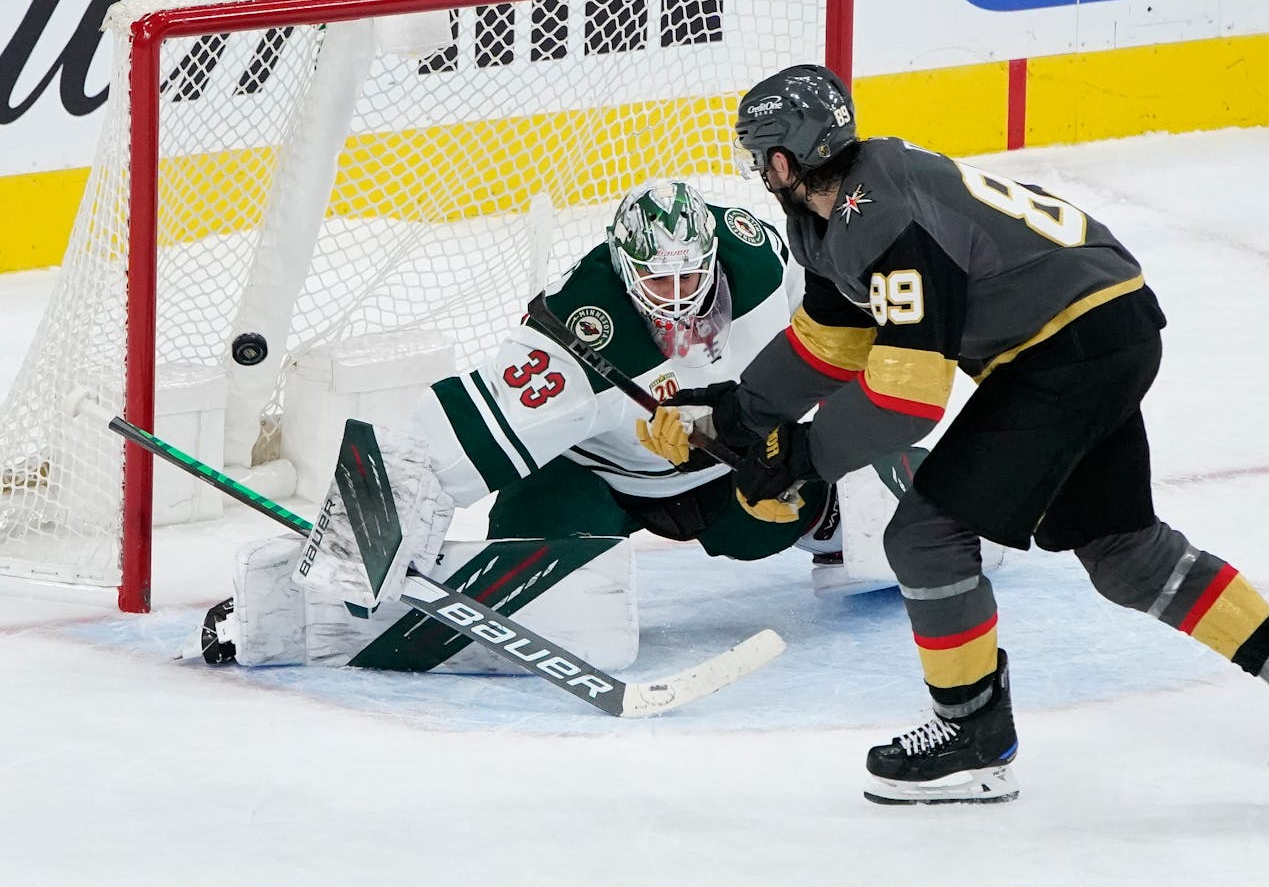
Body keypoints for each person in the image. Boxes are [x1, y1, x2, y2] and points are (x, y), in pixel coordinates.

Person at [637, 65, 1269, 803]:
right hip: (1101, 324)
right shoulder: (838, 212)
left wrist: (805, 458)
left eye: (756, 156)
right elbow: (829, 342)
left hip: (1068, 349)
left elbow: (909, 398)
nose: (755, 171)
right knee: (1123, 552)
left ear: (781, 157)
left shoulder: (881, 218)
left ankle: (972, 737)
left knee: (926, 535)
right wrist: (738, 413)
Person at [188, 179, 940, 670]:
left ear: (715, 254)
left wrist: (820, 438)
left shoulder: (759, 261)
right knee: (528, 540)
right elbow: (446, 443)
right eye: (656, 282)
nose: (678, 299)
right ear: (621, 270)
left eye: (690, 277)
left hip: (724, 462)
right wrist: (353, 556)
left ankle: (847, 511)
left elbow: (841, 336)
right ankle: (315, 612)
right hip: (595, 475)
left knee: (767, 517)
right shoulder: (577, 334)